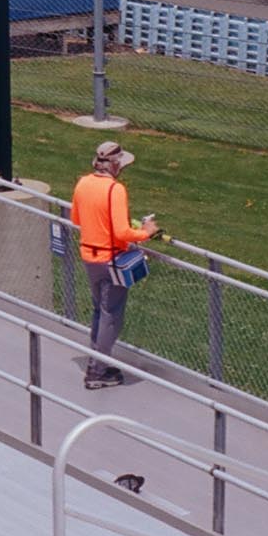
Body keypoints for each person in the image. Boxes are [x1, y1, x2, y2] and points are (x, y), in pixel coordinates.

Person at [71, 140, 157, 390]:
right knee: (111, 317)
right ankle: (97, 372)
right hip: (111, 261)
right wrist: (146, 232)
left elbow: (77, 218)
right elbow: (121, 232)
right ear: (116, 164)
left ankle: (98, 361)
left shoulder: (83, 183)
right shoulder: (115, 190)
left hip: (89, 257)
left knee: (99, 311)